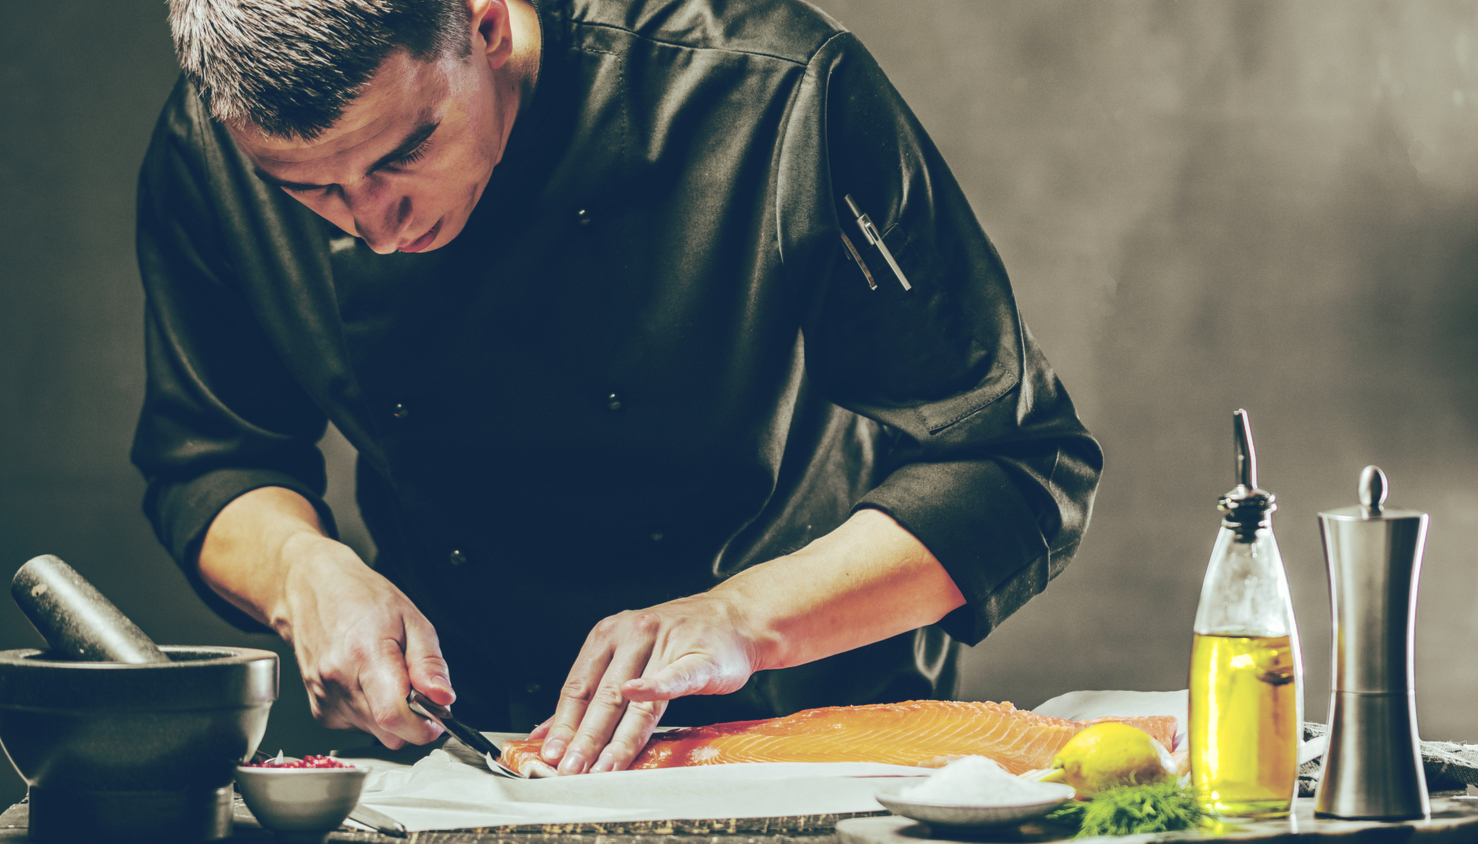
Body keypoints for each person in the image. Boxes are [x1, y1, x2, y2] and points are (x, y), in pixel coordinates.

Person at [132, 0, 1103, 776]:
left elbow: (1013, 464)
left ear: (486, 22)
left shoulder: (769, 90)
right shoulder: (208, 152)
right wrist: (303, 573)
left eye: (405, 152)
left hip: (805, 733)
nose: (377, 225)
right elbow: (214, 460)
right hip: (469, 755)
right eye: (313, 192)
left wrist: (740, 619)